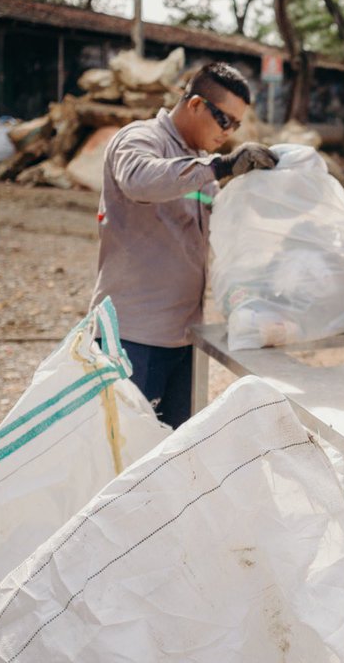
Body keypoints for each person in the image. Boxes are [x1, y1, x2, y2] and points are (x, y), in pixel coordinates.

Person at [89, 62, 278, 427]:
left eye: (236, 125)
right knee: (121, 455)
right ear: (194, 105)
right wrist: (219, 167)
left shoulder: (201, 167)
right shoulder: (141, 140)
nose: (229, 132)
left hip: (184, 338)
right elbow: (141, 181)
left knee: (172, 453)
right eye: (225, 120)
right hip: (132, 337)